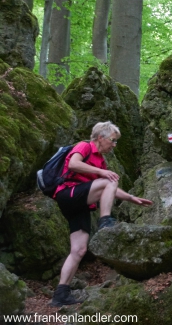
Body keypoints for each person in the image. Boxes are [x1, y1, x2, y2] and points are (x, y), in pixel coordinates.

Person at [50, 121, 153, 307]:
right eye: (113, 141)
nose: (114, 145)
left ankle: (60, 294)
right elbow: (73, 164)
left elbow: (109, 187)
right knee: (109, 179)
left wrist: (132, 198)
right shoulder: (84, 146)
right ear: (100, 138)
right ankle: (105, 221)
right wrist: (102, 173)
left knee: (79, 250)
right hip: (68, 193)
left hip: (79, 204)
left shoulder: (101, 161)